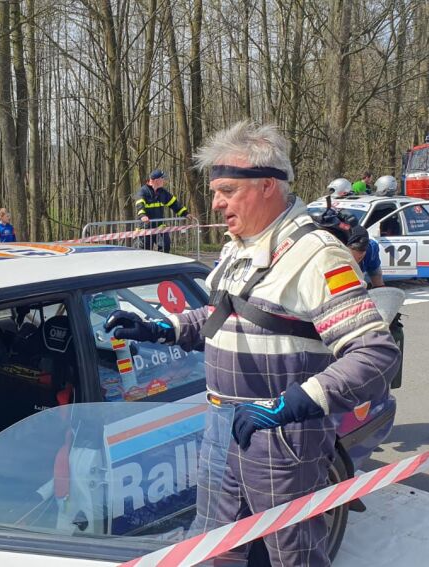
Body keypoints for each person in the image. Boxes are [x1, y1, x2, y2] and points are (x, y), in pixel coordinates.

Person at [105, 122, 399, 566]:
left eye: (227, 190)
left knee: (291, 555)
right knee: (213, 548)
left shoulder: (316, 254)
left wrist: (289, 404)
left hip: (283, 437)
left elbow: (375, 355)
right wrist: (160, 328)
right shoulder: (239, 247)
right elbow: (222, 317)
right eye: (215, 192)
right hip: (222, 425)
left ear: (267, 185)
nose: (215, 203)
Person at [135, 169, 190, 253]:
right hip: (145, 227)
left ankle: (162, 261)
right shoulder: (143, 191)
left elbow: (174, 203)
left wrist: (185, 213)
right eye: (162, 178)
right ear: (156, 180)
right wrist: (143, 216)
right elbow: (140, 205)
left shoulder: (163, 192)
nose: (164, 180)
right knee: (145, 251)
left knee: (165, 246)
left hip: (159, 226)